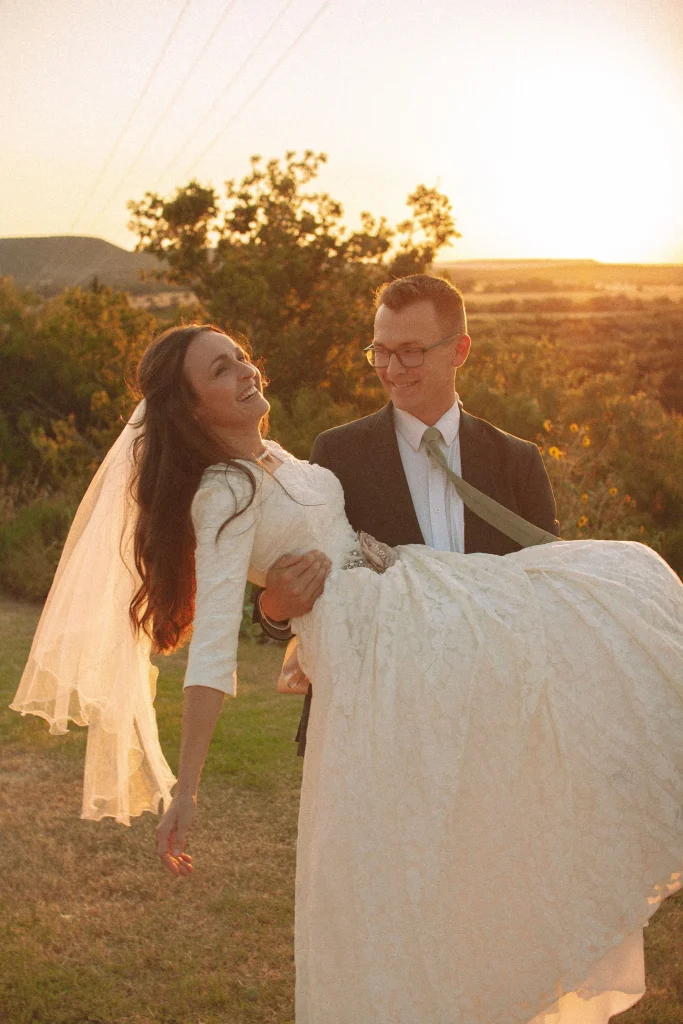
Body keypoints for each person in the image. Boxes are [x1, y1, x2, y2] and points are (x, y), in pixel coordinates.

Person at [11, 322, 683, 1024]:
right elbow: (212, 647)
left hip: (402, 596)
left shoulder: (277, 457)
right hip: (369, 647)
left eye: (241, 353)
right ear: (192, 408)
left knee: (597, 597)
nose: (245, 369)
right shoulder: (223, 493)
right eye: (220, 369)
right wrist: (187, 786)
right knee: (414, 831)